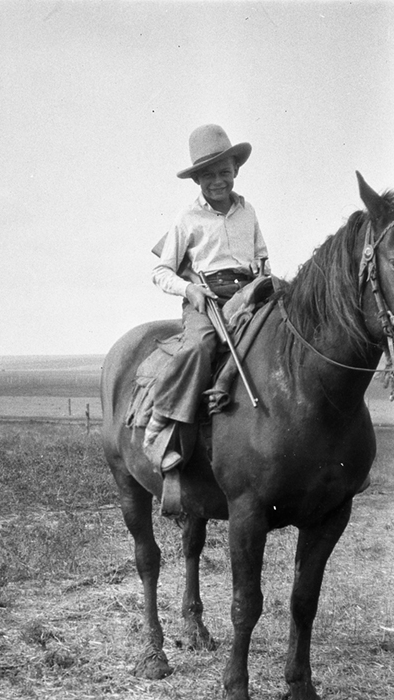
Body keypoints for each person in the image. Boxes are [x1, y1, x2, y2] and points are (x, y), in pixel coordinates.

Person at [146, 123, 270, 470]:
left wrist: (262, 278)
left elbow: (262, 254)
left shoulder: (249, 211)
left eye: (224, 172)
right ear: (197, 180)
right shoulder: (187, 218)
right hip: (207, 296)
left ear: (236, 171)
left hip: (250, 291)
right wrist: (190, 289)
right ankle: (161, 425)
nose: (218, 181)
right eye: (208, 175)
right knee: (200, 345)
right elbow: (161, 271)